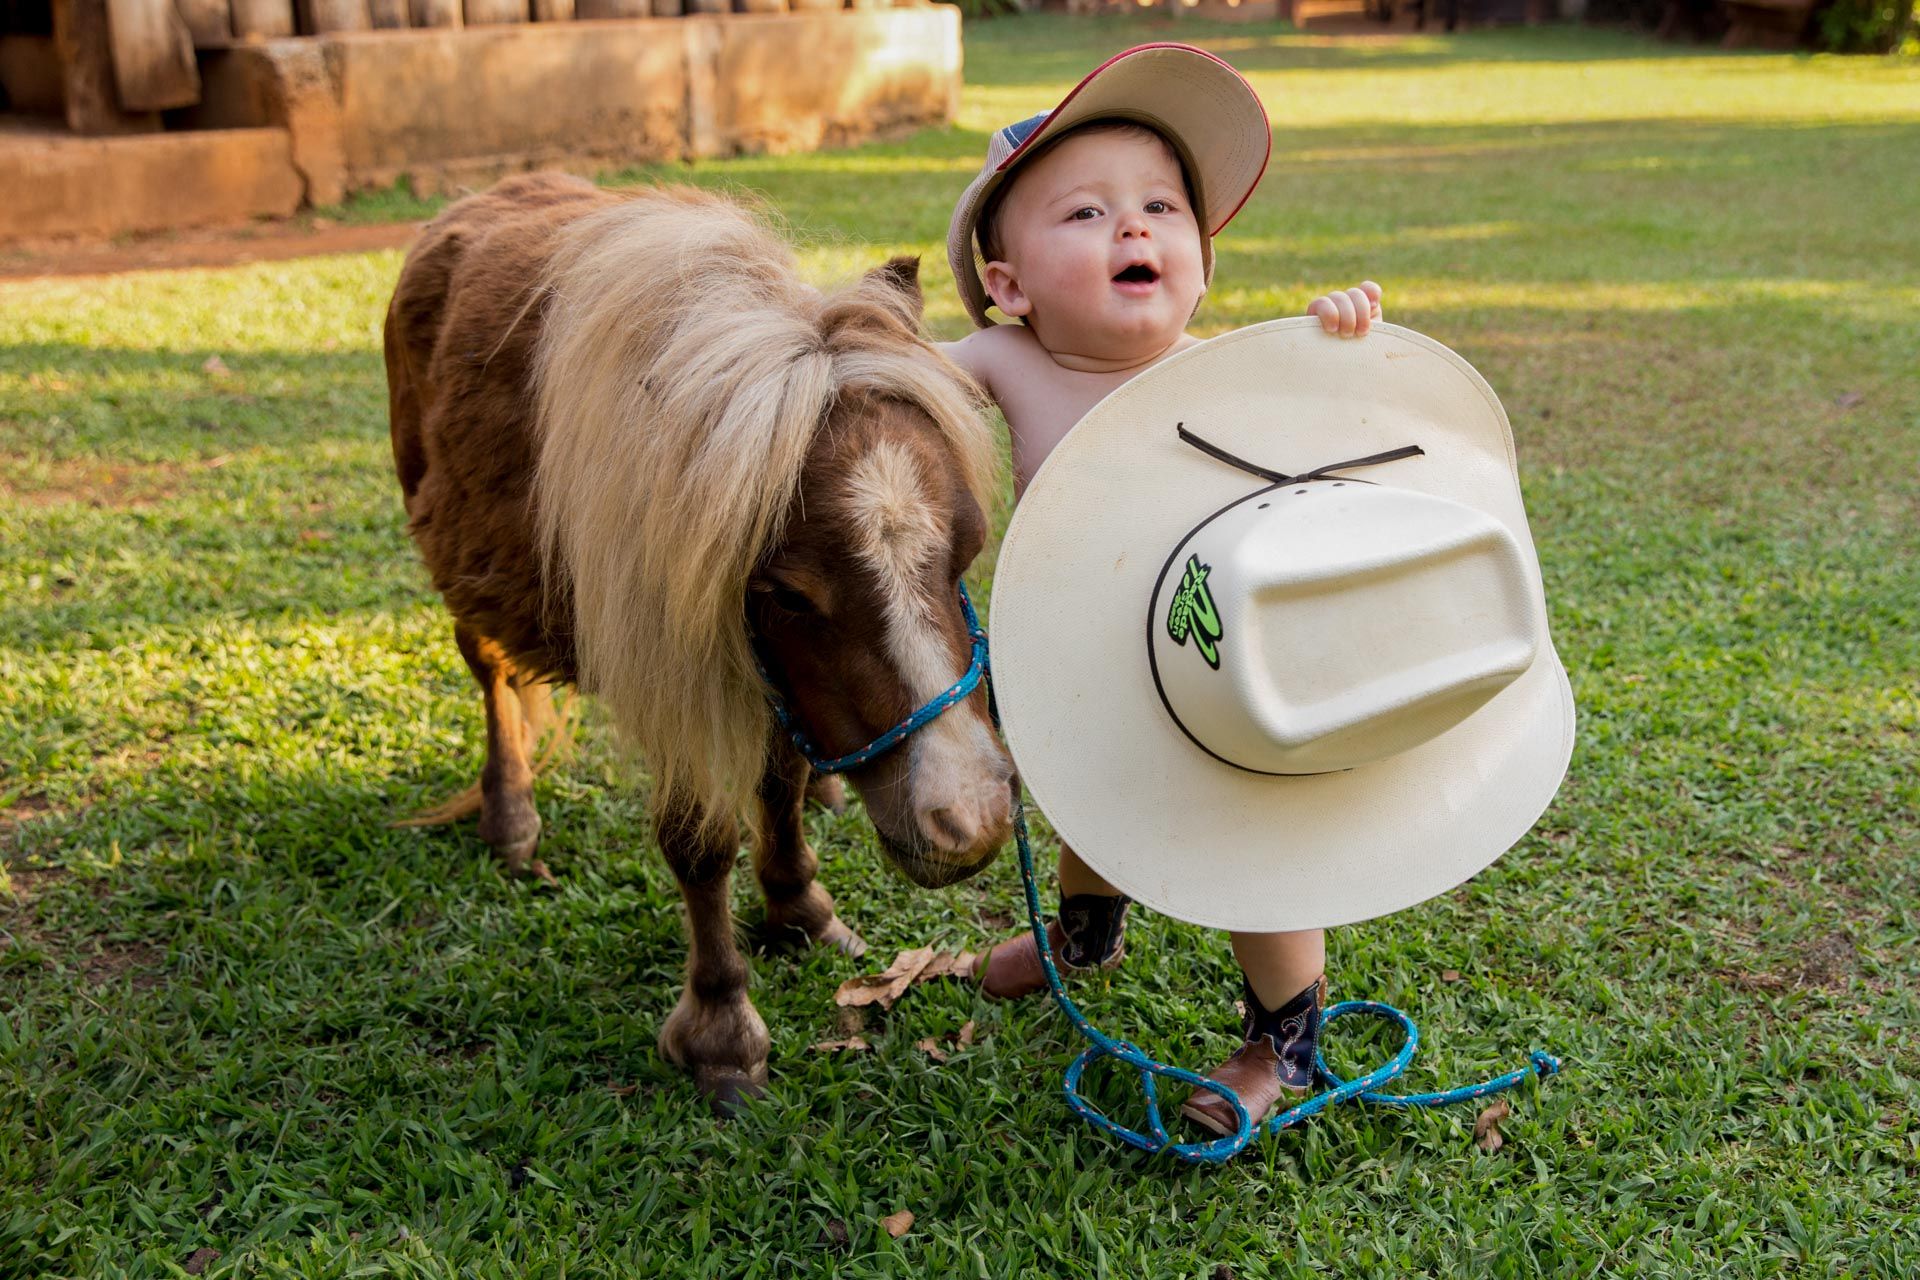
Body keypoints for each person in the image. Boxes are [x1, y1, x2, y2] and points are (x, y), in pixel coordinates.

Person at [936, 44, 1383, 1136]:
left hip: (1215, 663)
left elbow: (1345, 441)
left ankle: (1284, 1040)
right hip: (1076, 648)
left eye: (1159, 207)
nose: (1133, 229)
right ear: (1007, 286)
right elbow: (889, 392)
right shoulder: (1003, 364)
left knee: (1247, 847)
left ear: (1202, 257)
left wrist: (1344, 344)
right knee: (1085, 784)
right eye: (1083, 215)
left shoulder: (1224, 365)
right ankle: (1085, 931)